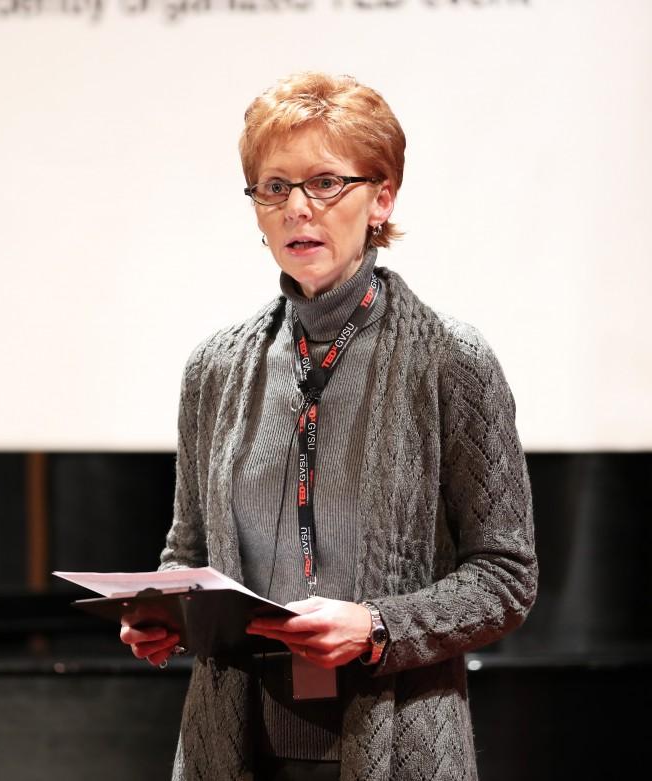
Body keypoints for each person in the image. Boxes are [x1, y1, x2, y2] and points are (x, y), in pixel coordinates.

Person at [119, 71, 537, 780]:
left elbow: (506, 577)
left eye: (324, 183)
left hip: (396, 746)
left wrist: (375, 627)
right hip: (234, 744)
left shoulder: (449, 359)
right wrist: (165, 611)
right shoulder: (214, 369)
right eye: (274, 186)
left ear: (381, 198)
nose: (296, 209)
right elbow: (188, 547)